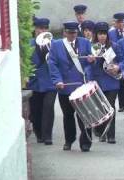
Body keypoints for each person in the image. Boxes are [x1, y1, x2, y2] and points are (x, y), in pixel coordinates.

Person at [48, 21, 95, 152]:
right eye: (69, 33)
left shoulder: (85, 43)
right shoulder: (56, 45)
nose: (72, 35)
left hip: (82, 86)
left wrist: (91, 61)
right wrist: (57, 80)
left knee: (85, 115)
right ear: (64, 32)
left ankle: (86, 142)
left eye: (74, 33)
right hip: (65, 87)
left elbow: (89, 64)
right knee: (68, 116)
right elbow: (52, 64)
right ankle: (69, 140)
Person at [88, 22, 123, 144]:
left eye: (104, 34)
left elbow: (123, 60)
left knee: (111, 107)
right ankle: (101, 131)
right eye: (100, 34)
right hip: (97, 82)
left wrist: (118, 67)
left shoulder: (114, 46)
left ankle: (111, 135)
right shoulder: (92, 47)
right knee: (100, 108)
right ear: (96, 35)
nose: (102, 36)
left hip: (112, 81)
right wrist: (91, 61)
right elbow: (87, 67)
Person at [27, 17, 56, 145]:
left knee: (48, 107)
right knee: (35, 111)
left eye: (45, 28)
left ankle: (48, 135)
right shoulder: (28, 44)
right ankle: (39, 133)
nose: (42, 31)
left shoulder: (54, 44)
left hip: (50, 82)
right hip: (34, 82)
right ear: (35, 29)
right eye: (39, 28)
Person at [108, 12, 124, 112]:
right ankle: (121, 104)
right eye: (118, 22)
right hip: (116, 60)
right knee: (119, 82)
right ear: (115, 23)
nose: (120, 24)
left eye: (121, 22)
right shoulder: (111, 33)